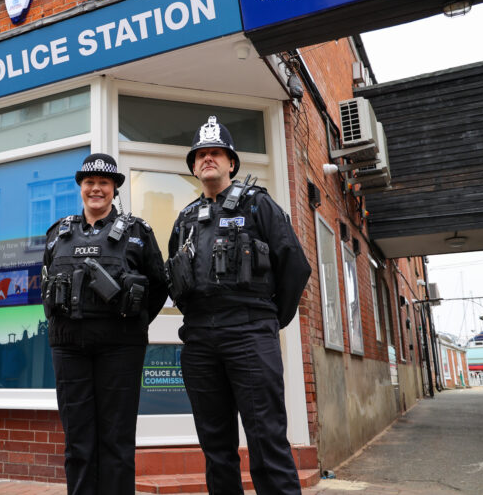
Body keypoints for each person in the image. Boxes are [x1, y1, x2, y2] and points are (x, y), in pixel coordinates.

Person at [167, 117, 311, 495]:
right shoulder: (185, 220)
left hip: (250, 333)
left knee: (267, 440)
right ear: (193, 167)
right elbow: (176, 276)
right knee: (216, 448)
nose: (208, 158)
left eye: (216, 153)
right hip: (200, 340)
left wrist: (268, 320)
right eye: (201, 154)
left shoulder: (259, 204)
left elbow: (295, 265)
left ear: (231, 162)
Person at [42, 153, 167, 495]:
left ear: (114, 189)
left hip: (121, 349)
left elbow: (158, 286)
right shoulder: (57, 234)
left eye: (104, 183)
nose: (96, 189)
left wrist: (133, 323)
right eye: (90, 182)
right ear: (81, 187)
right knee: (78, 440)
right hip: (69, 348)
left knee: (117, 438)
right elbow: (46, 286)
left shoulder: (138, 232)